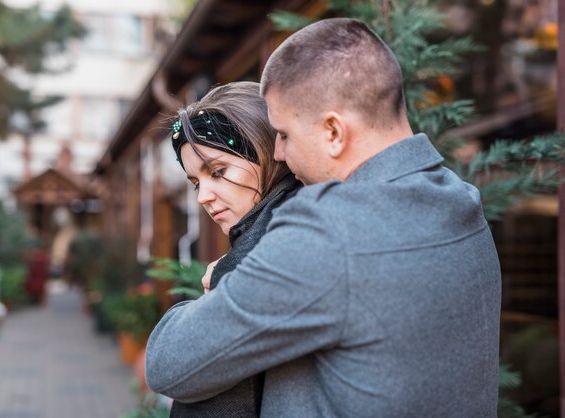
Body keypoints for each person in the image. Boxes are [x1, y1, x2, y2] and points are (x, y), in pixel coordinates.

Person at [146, 18, 502, 417]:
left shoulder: (330, 233)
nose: (278, 153)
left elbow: (169, 366)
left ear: (333, 131)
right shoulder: (460, 202)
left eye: (283, 134)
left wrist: (217, 290)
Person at [167, 81, 301, 417]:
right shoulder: (272, 228)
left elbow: (177, 370)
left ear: (264, 150)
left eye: (217, 171)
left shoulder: (271, 244)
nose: (203, 197)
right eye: (196, 182)